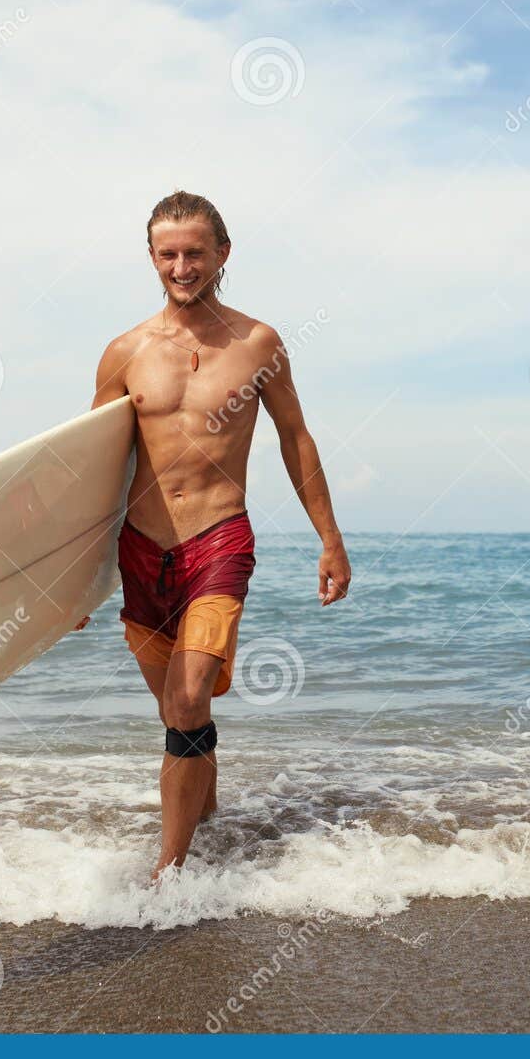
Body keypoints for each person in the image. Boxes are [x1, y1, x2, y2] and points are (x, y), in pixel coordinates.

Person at [87, 190, 351, 879]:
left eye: (195, 252)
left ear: (222, 254)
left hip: (218, 542)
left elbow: (296, 439)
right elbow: (90, 469)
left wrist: (330, 538)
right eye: (168, 253)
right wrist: (74, 576)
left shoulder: (256, 343)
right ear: (151, 258)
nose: (182, 266)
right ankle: (207, 824)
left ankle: (167, 876)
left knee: (187, 695)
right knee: (181, 710)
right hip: (140, 550)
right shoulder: (123, 353)